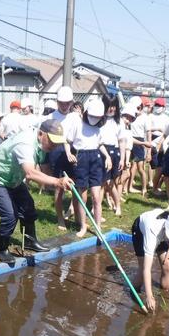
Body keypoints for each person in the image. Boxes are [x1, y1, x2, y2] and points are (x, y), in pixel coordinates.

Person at [0, 119, 74, 264]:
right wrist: (56, 181)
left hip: (13, 179)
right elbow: (30, 173)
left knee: (28, 207)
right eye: (52, 141)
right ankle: (1, 248)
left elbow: (45, 168)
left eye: (57, 142)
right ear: (41, 134)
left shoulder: (44, 145)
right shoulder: (25, 144)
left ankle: (29, 241)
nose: (55, 145)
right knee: (10, 215)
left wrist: (58, 182)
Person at [67, 97, 112, 237]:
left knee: (96, 197)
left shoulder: (99, 128)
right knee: (83, 196)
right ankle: (83, 226)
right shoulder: (77, 124)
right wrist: (69, 153)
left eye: (97, 117)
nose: (94, 119)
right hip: (81, 159)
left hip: (96, 159)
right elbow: (67, 141)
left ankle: (98, 226)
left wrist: (108, 156)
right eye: (92, 116)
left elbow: (99, 144)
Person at [131, 209, 169, 312]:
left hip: (163, 234)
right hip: (141, 232)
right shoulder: (152, 234)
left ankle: (164, 294)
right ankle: (133, 292)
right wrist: (149, 296)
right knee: (142, 269)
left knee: (168, 264)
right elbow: (147, 269)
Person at [45, 86, 81, 230]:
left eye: (67, 103)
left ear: (71, 102)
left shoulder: (75, 117)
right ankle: (60, 218)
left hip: (72, 151)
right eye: (61, 103)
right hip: (56, 151)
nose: (64, 106)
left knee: (75, 186)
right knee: (59, 187)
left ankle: (74, 211)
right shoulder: (51, 117)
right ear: (57, 101)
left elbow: (78, 136)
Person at [99, 94, 125, 217]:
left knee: (111, 182)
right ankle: (97, 206)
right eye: (109, 106)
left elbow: (122, 141)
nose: (111, 109)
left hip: (114, 152)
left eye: (114, 106)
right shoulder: (99, 120)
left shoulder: (119, 122)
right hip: (101, 150)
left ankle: (117, 204)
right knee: (102, 181)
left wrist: (123, 159)